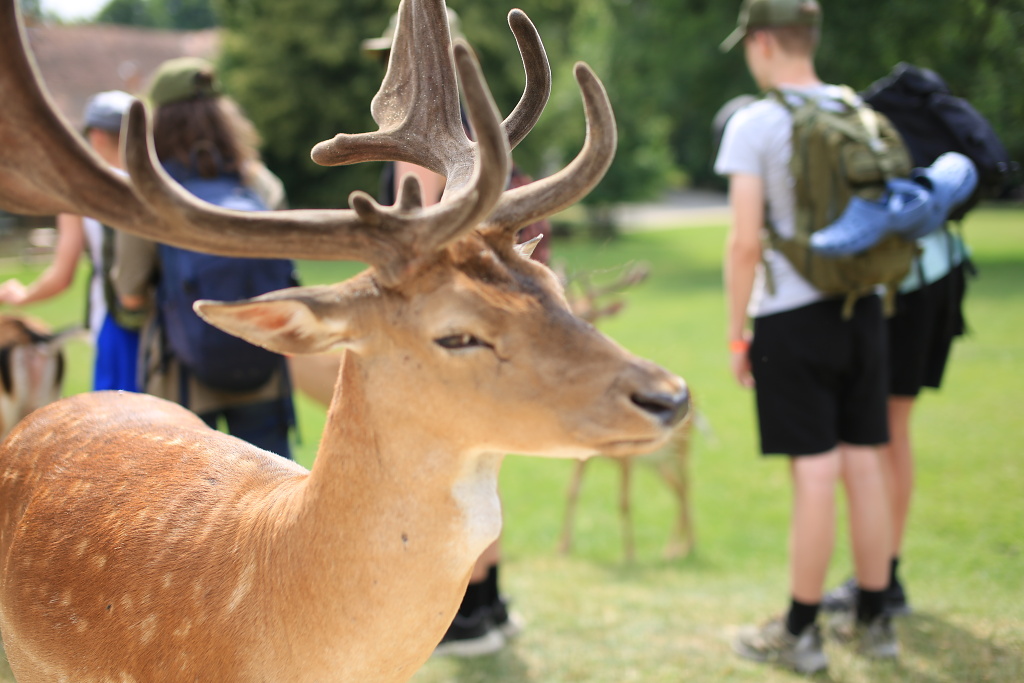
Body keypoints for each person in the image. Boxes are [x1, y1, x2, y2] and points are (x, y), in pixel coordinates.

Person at [714, 0, 897, 673]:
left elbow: (743, 242)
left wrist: (737, 336)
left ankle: (799, 630)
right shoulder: (858, 110)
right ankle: (878, 619)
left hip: (791, 317)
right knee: (864, 460)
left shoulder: (755, 124)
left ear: (762, 42)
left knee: (815, 473)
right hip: (866, 309)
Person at [359, 9, 548, 657]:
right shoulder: (478, 127)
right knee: (481, 462)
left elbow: (415, 231)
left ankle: (464, 613)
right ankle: (489, 605)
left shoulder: (422, 136)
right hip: (499, 322)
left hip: (449, 328)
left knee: (444, 471)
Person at [113, 57, 295, 459]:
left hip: (183, 378)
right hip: (262, 366)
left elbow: (129, 292)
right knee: (274, 499)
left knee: (186, 507)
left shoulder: (147, 193)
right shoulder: (260, 185)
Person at [0, 90, 145, 392]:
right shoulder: (162, 187)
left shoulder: (81, 194)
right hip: (167, 325)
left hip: (115, 320)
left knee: (116, 425)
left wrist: (22, 296)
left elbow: (61, 276)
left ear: (96, 136)